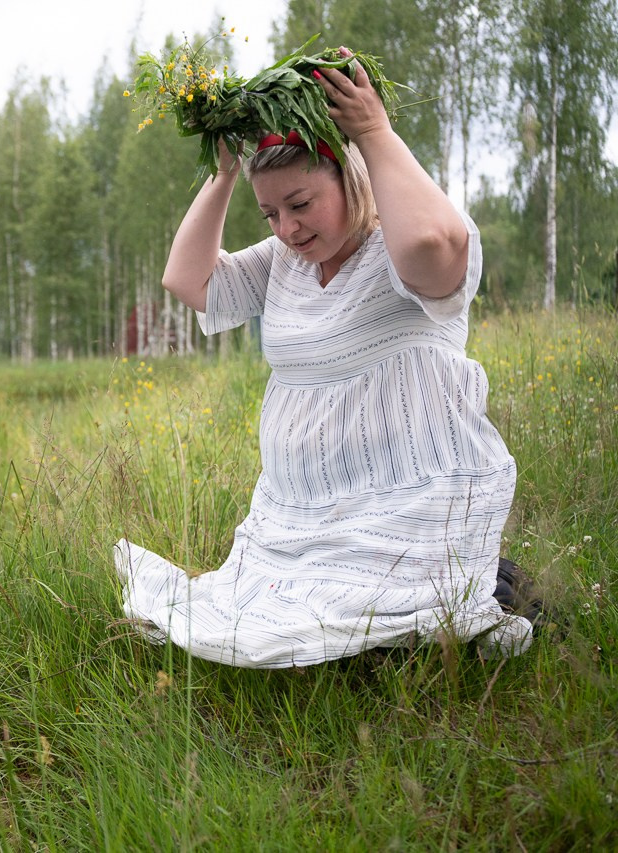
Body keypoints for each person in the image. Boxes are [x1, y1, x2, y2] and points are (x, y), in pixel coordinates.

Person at [114, 49, 533, 667]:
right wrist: (223, 172)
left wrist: (373, 131)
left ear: (350, 176)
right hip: (304, 514)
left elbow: (435, 245)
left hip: (407, 498)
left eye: (301, 203)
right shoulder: (284, 261)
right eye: (271, 212)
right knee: (266, 629)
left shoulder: (398, 244)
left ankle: (474, 598)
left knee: (382, 637)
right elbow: (187, 280)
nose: (286, 227)